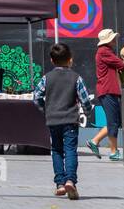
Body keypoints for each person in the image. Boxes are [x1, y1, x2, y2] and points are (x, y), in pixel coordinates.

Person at [34, 43, 92, 199]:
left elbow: (36, 97)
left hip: (53, 120)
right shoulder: (76, 78)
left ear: (52, 61)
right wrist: (87, 111)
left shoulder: (47, 78)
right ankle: (70, 181)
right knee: (70, 150)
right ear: (70, 60)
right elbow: (85, 99)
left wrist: (45, 109)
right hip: (70, 121)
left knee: (57, 151)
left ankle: (60, 184)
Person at [87, 28, 124, 161]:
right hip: (108, 90)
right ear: (108, 40)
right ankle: (113, 152)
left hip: (108, 90)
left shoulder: (106, 51)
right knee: (113, 122)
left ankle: (95, 141)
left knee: (114, 121)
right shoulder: (104, 51)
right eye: (113, 38)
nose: (115, 40)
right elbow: (121, 64)